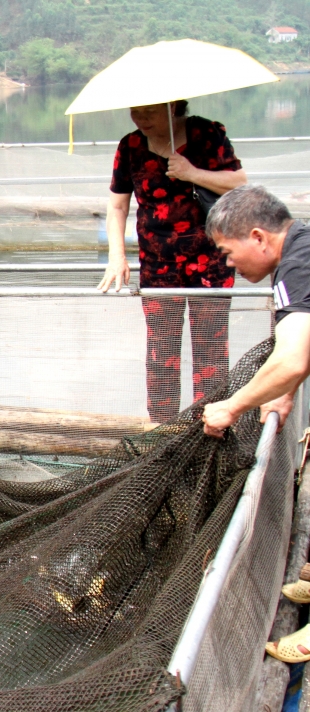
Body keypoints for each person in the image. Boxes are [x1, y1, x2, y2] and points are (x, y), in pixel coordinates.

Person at [200, 186, 310, 663]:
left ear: (259, 237)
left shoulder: (297, 265)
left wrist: (232, 407)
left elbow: (290, 359)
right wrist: (283, 392)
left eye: (227, 252)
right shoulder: (301, 248)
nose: (227, 265)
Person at [98, 101, 247, 422]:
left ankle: (208, 427)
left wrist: (192, 173)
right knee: (161, 352)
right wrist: (116, 256)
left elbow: (239, 184)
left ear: (173, 105)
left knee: (210, 350)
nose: (141, 120)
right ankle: (162, 429)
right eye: (135, 112)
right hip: (158, 265)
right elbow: (117, 207)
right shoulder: (130, 145)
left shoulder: (207, 133)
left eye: (149, 113)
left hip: (211, 261)